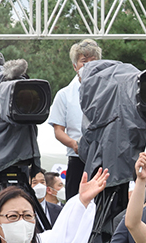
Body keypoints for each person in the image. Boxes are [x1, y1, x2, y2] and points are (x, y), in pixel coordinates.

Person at [48, 39, 101, 202]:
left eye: (93, 62)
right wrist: (74, 145)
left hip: (103, 157)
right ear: (75, 66)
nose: (89, 66)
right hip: (78, 158)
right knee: (76, 204)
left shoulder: (108, 90)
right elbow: (58, 130)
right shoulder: (64, 94)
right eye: (84, 62)